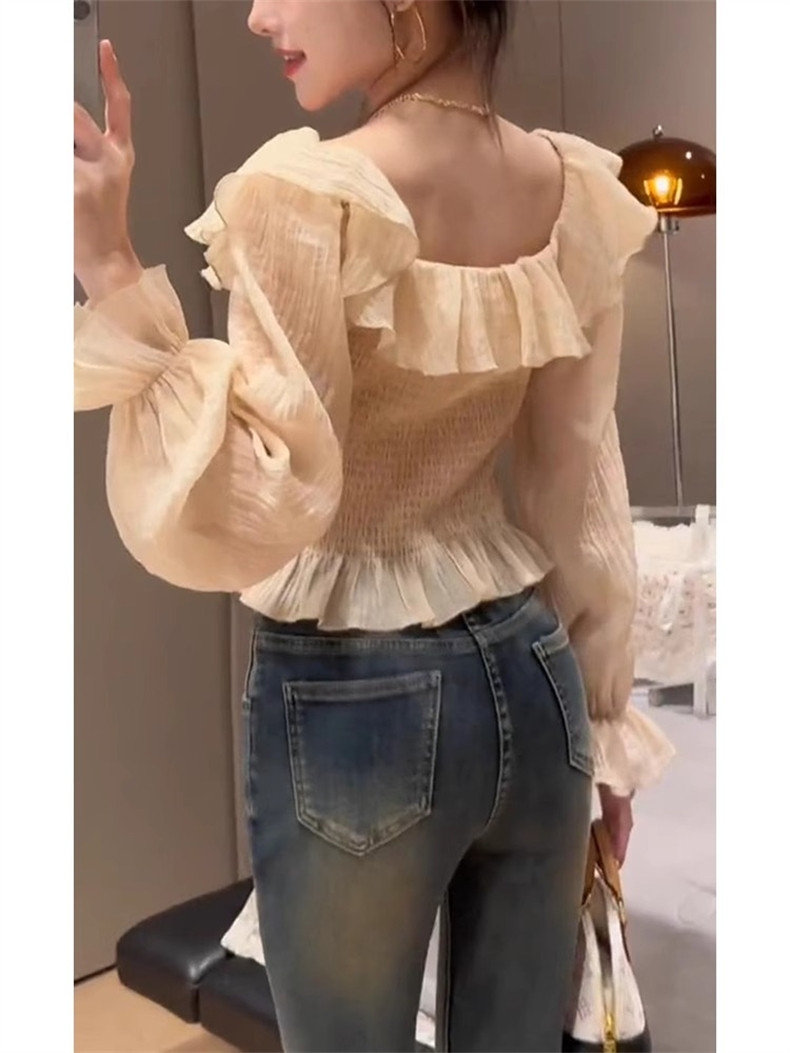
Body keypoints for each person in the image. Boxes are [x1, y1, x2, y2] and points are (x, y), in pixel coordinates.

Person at [74, 2, 675, 1050]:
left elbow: (261, 499)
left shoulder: (305, 195)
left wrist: (113, 271)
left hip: (358, 698)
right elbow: (578, 480)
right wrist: (604, 734)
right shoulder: (569, 185)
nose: (258, 15)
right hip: (536, 681)